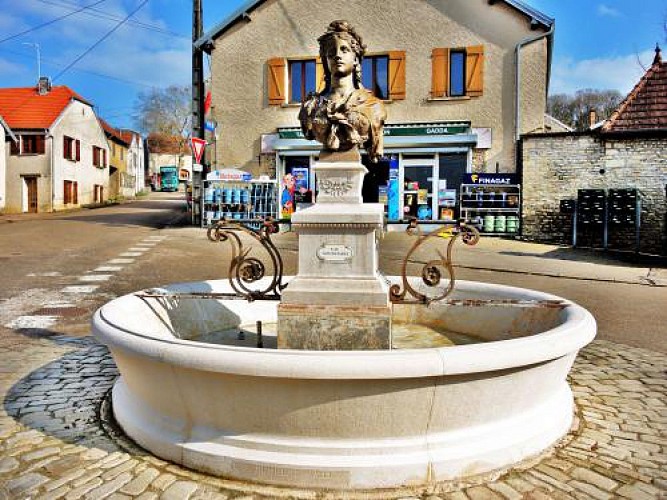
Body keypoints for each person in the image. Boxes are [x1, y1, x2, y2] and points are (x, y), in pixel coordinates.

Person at [299, 20, 386, 162]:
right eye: (331, 52)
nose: (337, 55)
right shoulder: (312, 106)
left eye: (344, 50)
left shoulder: (373, 106)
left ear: (356, 59)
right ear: (326, 61)